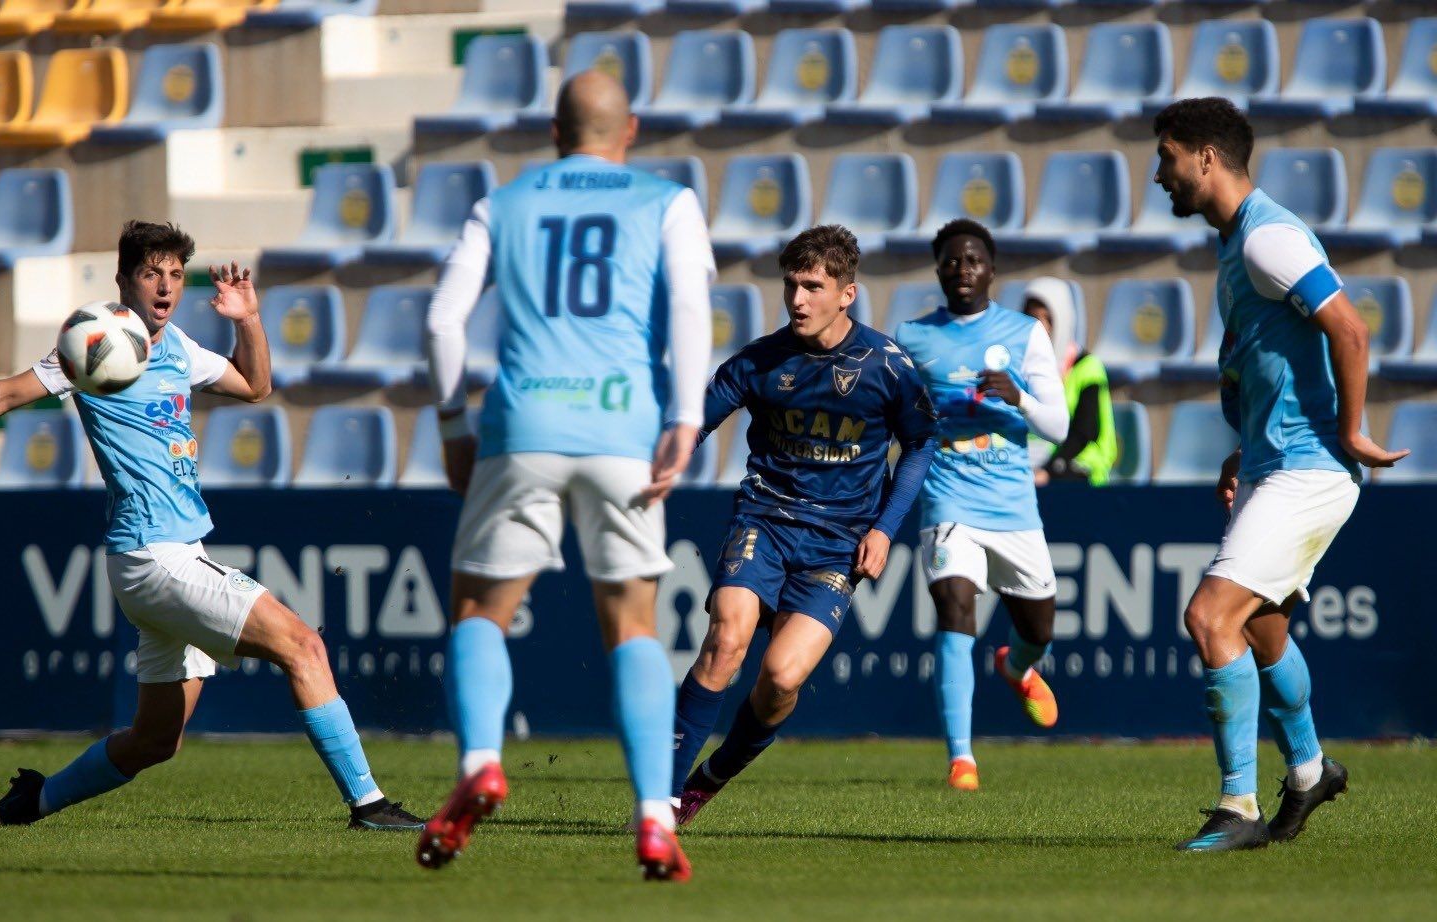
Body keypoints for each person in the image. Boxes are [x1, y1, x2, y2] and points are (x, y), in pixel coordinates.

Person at [0, 221, 421, 831]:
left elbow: (256, 385)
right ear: (123, 281)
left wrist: (248, 319)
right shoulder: (96, 343)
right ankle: (369, 805)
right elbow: (2, 397)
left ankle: (30, 802)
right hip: (154, 557)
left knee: (155, 740)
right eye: (151, 273)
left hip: (172, 555)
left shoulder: (180, 347)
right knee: (303, 645)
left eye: (174, 274)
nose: (165, 287)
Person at [417, 70, 715, 881]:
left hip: (523, 427)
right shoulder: (669, 202)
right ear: (632, 129)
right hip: (624, 429)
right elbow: (691, 308)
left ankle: (481, 762)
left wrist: (453, 427)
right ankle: (653, 816)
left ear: (554, 132)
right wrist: (686, 418)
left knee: (479, 610)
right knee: (634, 625)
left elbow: (442, 320)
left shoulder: (503, 204)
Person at [1151, 98, 1406, 851]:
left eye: (1166, 156)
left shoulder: (1267, 238)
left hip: (1309, 467)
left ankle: (1238, 808)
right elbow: (1276, 364)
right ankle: (1309, 771)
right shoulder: (1238, 245)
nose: (1158, 175)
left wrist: (1351, 432)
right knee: (1262, 631)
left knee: (1210, 618)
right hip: (1275, 462)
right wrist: (1244, 453)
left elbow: (1349, 328)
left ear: (1205, 157)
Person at [669, 225, 937, 826]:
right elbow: (693, 424)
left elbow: (921, 443)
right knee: (726, 641)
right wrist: (652, 469)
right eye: (791, 284)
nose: (797, 299)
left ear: (847, 293)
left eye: (813, 287)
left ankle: (709, 778)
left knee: (781, 678)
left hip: (838, 544)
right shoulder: (760, 360)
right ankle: (660, 800)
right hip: (764, 519)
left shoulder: (887, 366)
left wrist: (885, 528)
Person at [893, 219, 1071, 792]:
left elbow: (1059, 426)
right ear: (938, 269)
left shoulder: (1024, 333)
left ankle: (1017, 666)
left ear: (991, 270)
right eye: (951, 260)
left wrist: (1019, 397)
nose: (961, 269)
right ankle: (961, 759)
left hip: (1012, 504)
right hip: (947, 496)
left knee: (1039, 628)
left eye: (972, 260)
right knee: (955, 608)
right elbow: (889, 411)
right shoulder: (912, 337)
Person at [1022, 278, 1115, 486]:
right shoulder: (1019, 366)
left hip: (1079, 464)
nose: (1041, 327)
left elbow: (1084, 432)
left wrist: (1048, 471)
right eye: (1032, 319)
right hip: (1033, 463)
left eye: (1048, 319)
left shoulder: (1088, 367)